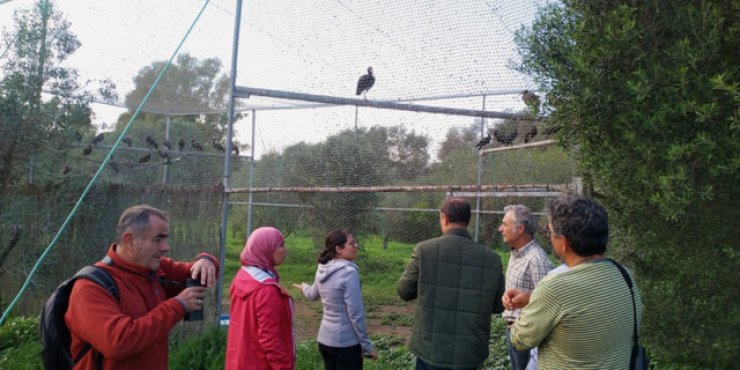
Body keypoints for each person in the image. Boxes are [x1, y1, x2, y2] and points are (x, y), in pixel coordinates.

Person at [65, 205, 220, 370]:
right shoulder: (90, 287)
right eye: (157, 240)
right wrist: (178, 306)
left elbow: (198, 275)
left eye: (165, 239)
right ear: (129, 241)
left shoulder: (154, 270)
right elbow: (118, 343)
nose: (166, 247)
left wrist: (206, 260)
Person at [505, 194, 644, 369]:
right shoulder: (624, 276)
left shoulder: (556, 288)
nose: (549, 237)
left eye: (549, 231)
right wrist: (534, 299)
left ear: (563, 242)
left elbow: (519, 339)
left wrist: (529, 310)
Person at [397, 197, 506, 370]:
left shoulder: (424, 250)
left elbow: (404, 291)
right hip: (470, 351)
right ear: (468, 220)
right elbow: (499, 305)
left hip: (430, 348)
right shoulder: (492, 259)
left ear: (444, 218)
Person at [293, 228, 377, 370]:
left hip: (325, 342)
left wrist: (304, 288)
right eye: (352, 243)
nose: (356, 246)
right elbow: (356, 314)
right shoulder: (349, 273)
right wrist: (366, 346)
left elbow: (312, 295)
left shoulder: (323, 269)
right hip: (345, 344)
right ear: (339, 248)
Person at [226, 227, 295, 370]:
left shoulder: (243, 275)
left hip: (240, 361)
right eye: (281, 245)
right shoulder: (267, 291)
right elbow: (271, 341)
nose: (286, 249)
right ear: (266, 249)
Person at [498, 204, 554, 370]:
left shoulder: (538, 261)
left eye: (505, 224)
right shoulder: (516, 254)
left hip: (527, 338)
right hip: (514, 331)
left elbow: (548, 306)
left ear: (520, 229)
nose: (500, 229)